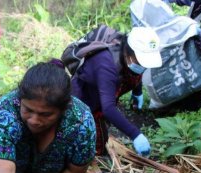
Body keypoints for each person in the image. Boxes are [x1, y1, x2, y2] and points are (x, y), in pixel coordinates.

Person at [69, 26, 162, 157]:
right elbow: (108, 108)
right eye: (140, 61)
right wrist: (135, 135)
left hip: (103, 92)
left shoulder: (128, 59)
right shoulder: (106, 65)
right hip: (86, 97)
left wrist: (137, 91)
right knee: (88, 139)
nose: (143, 67)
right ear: (128, 53)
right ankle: (88, 162)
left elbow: (136, 73)